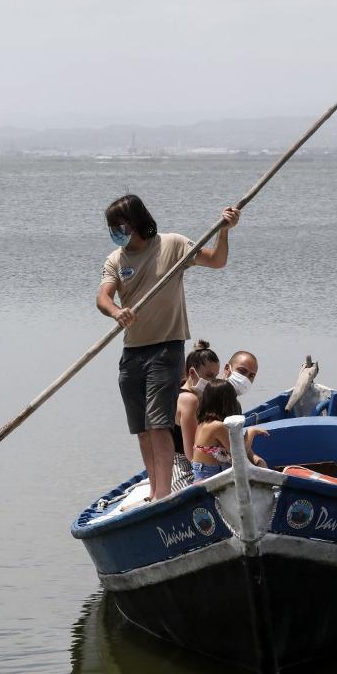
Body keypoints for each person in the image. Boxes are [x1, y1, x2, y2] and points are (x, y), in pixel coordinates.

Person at [97, 195, 240, 501]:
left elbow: (216, 260)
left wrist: (224, 230)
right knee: (142, 430)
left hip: (166, 348)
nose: (114, 231)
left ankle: (162, 495)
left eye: (117, 225)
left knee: (159, 424)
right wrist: (116, 312)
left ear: (134, 222)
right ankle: (154, 488)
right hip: (132, 352)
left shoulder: (173, 245)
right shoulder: (116, 260)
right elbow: (103, 297)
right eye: (110, 227)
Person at [191, 378, 268, 482]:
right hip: (210, 479)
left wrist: (257, 460)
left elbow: (242, 450)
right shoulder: (217, 426)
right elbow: (239, 455)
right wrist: (251, 433)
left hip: (203, 476)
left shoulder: (203, 424)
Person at [170, 340, 220, 493]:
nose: (213, 382)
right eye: (209, 376)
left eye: (216, 377)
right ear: (192, 373)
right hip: (182, 467)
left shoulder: (194, 394)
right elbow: (192, 455)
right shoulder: (189, 400)